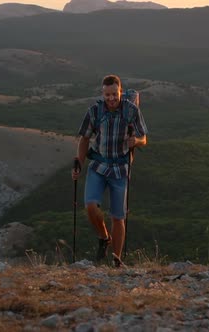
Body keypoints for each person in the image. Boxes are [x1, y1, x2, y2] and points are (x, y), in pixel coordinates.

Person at [71, 74, 148, 267]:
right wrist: (78, 162)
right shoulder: (95, 111)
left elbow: (144, 138)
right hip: (98, 165)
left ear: (120, 91)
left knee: (118, 217)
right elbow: (84, 139)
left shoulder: (131, 110)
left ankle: (116, 260)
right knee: (90, 206)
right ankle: (104, 237)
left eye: (114, 94)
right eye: (107, 95)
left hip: (121, 168)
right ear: (102, 93)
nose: (111, 98)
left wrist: (136, 141)